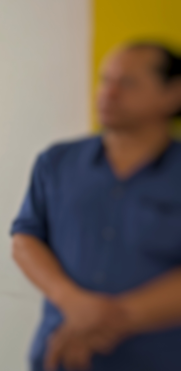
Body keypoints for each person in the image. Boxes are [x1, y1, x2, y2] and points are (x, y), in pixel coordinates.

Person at [11, 42, 181, 370]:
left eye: (127, 83)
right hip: (62, 357)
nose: (108, 93)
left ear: (173, 94)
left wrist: (106, 319)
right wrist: (71, 301)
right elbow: (24, 239)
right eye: (105, 80)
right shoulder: (57, 162)